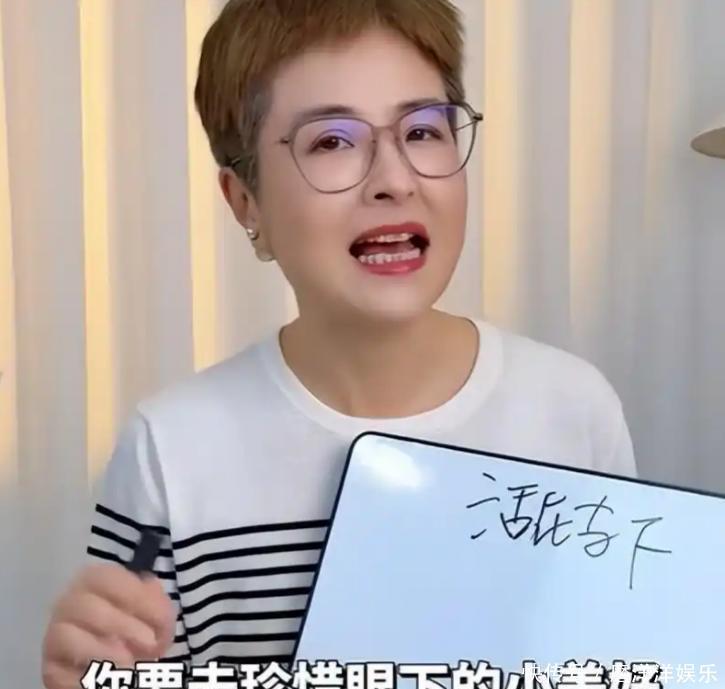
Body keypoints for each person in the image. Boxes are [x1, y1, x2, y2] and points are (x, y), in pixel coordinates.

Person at [41, 0, 637, 685]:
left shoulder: (572, 411)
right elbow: (119, 665)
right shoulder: (169, 451)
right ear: (245, 201)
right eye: (331, 142)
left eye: (423, 130)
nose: (394, 180)